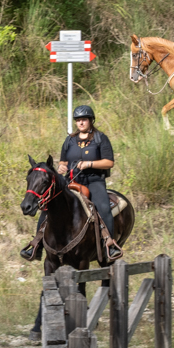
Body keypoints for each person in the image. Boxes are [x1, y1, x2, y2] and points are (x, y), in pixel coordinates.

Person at [57, 104, 123, 262]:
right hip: (71, 180)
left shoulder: (101, 138)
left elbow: (109, 162)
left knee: (103, 206)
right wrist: (61, 167)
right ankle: (38, 242)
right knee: (51, 201)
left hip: (93, 180)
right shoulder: (69, 140)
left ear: (91, 121)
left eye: (84, 120)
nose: (80, 123)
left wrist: (89, 164)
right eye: (78, 120)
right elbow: (63, 161)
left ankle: (109, 243)